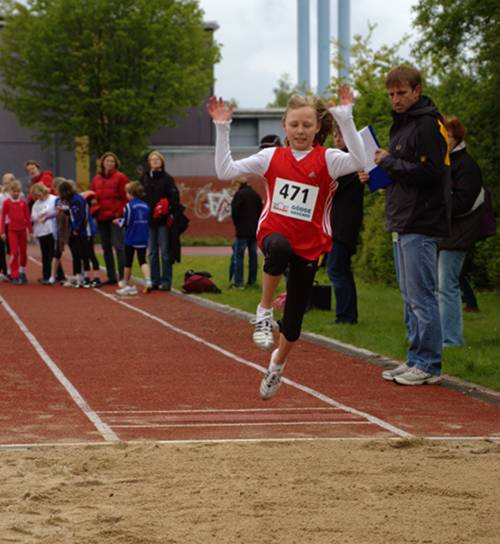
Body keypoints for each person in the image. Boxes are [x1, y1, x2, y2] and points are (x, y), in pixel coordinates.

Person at [207, 86, 366, 400]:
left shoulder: (329, 160)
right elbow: (225, 171)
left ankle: (276, 366)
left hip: (309, 245)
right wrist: (222, 129)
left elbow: (361, 160)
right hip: (274, 234)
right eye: (294, 124)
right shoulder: (271, 157)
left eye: (307, 125)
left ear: (318, 127)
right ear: (284, 125)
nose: (300, 131)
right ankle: (264, 312)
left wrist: (346, 120)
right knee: (278, 248)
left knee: (293, 324)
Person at [375, 65, 451, 386]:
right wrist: (376, 173)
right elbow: (401, 171)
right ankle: (415, 357)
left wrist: (388, 162)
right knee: (410, 295)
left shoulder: (429, 126)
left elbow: (431, 173)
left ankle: (428, 364)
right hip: (402, 219)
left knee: (422, 296)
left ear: (417, 91)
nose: (396, 99)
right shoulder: (402, 126)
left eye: (402, 93)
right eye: (391, 94)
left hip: (421, 219)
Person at [437, 116, 484, 346]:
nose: (443, 141)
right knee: (439, 287)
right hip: (445, 233)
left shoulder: (466, 165)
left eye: (448, 137)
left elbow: (464, 202)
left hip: (458, 234)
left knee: (447, 286)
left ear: (457, 138)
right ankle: (441, 336)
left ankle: (452, 340)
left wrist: (437, 207)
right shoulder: (445, 162)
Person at [326, 125, 367, 324]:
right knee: (341, 269)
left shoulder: (349, 163)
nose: (337, 139)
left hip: (343, 225)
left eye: (341, 135)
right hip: (341, 223)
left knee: (336, 269)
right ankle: (348, 315)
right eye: (335, 135)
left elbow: (331, 187)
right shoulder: (345, 160)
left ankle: (345, 316)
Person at [139, 150, 182, 291]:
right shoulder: (144, 179)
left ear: (162, 162)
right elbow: (139, 196)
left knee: (165, 252)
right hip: (149, 221)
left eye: (157, 159)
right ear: (149, 162)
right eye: (152, 159)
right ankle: (155, 280)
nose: (155, 161)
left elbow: (175, 198)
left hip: (163, 221)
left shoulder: (168, 179)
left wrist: (166, 208)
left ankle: (166, 281)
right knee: (152, 253)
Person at [90, 151, 128, 285]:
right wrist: (94, 207)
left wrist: (120, 214)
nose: (110, 163)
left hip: (115, 217)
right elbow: (92, 196)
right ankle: (112, 277)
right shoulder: (96, 179)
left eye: (112, 161)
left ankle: (123, 276)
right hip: (101, 217)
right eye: (107, 161)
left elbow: (125, 198)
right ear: (103, 163)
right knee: (106, 248)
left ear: (115, 163)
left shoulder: (121, 177)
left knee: (119, 247)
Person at [114, 181, 152, 296]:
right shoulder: (146, 206)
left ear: (130, 194)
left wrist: (118, 221)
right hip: (143, 236)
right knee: (142, 260)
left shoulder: (128, 206)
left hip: (131, 236)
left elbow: (127, 222)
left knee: (128, 261)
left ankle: (125, 283)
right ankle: (148, 280)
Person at [229, 177, 263, 288]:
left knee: (239, 257)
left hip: (242, 231)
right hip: (254, 231)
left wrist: (238, 225)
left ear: (238, 184)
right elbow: (261, 211)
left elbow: (235, 212)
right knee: (253, 256)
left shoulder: (239, 195)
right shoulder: (256, 195)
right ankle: (252, 282)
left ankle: (239, 283)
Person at [57, 180, 92, 288]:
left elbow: (83, 216)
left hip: (83, 230)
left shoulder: (77, 200)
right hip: (75, 229)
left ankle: (86, 277)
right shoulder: (72, 200)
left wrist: (78, 229)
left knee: (83, 254)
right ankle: (78, 276)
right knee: (75, 253)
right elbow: (73, 214)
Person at [0, 179, 32, 284]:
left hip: (22, 230)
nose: (16, 193)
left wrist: (30, 231)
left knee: (23, 252)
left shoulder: (23, 202)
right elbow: (3, 217)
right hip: (12, 230)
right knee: (14, 252)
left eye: (18, 191)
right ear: (10, 191)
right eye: (14, 191)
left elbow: (27, 217)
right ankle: (14, 273)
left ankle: (22, 271)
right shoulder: (6, 203)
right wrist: (2, 232)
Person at [30, 182, 58, 284]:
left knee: (53, 254)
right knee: (45, 255)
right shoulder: (36, 204)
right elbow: (33, 217)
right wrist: (39, 216)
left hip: (51, 230)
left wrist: (46, 215)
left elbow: (56, 212)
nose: (37, 197)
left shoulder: (53, 199)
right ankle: (46, 276)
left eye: (38, 195)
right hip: (41, 232)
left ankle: (56, 275)